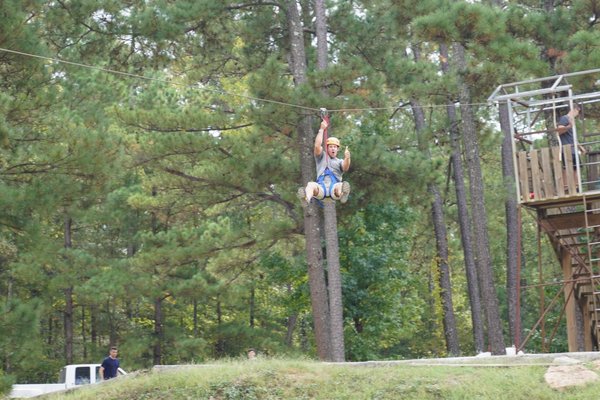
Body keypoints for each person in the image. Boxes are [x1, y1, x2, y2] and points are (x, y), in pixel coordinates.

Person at [299, 119, 351, 206]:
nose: (333, 148)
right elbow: (317, 146)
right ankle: (306, 199)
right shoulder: (321, 157)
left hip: (334, 189)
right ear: (327, 148)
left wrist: (347, 158)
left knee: (340, 186)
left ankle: (343, 195)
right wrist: (321, 129)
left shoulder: (339, 162)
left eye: (335, 147)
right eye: (331, 147)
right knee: (311, 185)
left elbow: (345, 167)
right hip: (321, 188)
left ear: (337, 149)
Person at [556, 104, 585, 190]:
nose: (578, 115)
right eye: (578, 113)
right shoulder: (564, 118)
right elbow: (559, 131)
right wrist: (569, 126)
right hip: (566, 148)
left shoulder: (572, 120)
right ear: (576, 109)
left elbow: (573, 137)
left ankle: (577, 187)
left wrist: (581, 148)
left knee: (576, 167)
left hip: (573, 149)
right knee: (566, 168)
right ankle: (565, 187)